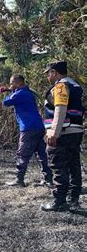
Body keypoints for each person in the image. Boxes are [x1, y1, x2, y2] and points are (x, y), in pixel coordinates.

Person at [41, 61, 85, 212]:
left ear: (54, 72)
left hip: (63, 131)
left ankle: (59, 201)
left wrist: (54, 130)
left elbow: (60, 108)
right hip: (75, 130)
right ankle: (73, 199)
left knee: (58, 166)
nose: (48, 76)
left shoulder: (60, 86)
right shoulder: (76, 85)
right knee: (74, 165)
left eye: (48, 73)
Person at [2, 74, 53, 187]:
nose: (10, 85)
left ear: (19, 83)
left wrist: (10, 92)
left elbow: (5, 103)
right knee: (42, 155)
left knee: (22, 154)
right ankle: (48, 179)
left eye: (12, 83)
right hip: (38, 127)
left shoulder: (20, 94)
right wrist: (12, 90)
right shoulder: (27, 92)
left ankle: (19, 180)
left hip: (28, 128)